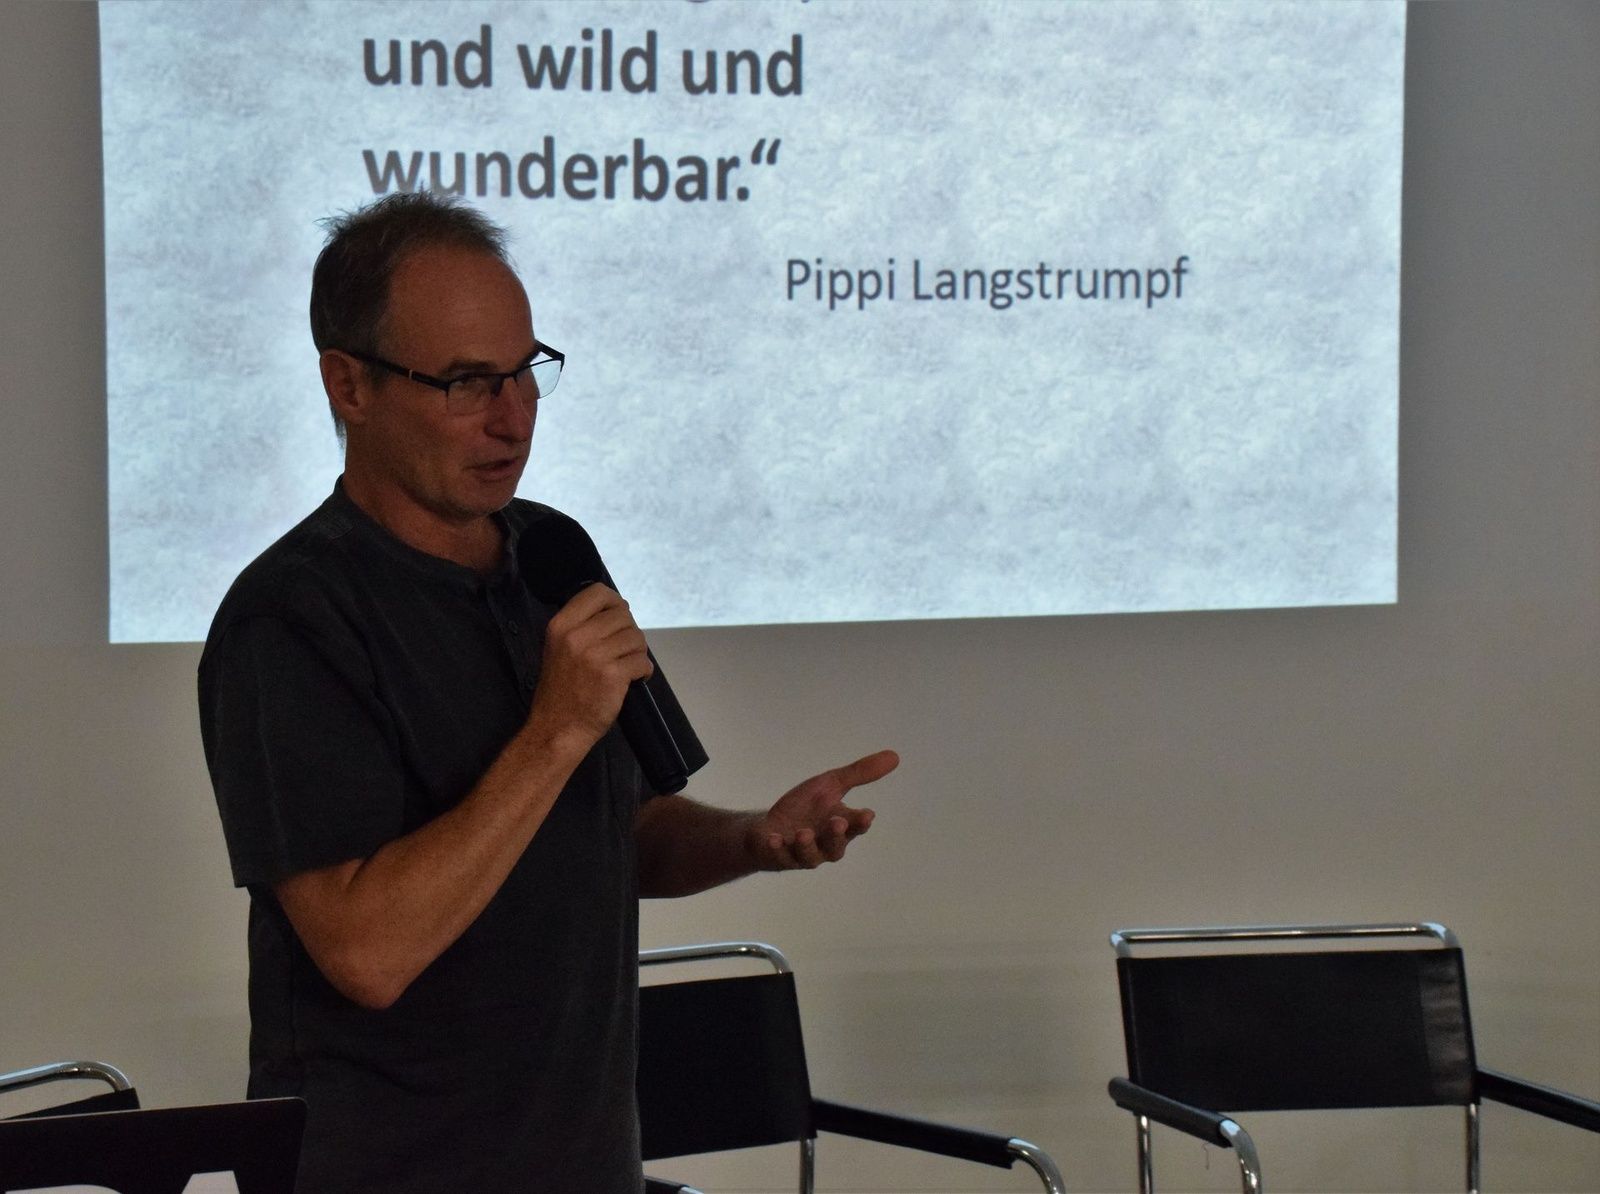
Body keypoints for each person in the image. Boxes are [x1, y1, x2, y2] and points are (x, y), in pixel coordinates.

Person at [197, 191, 897, 1193]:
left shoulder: (552, 552)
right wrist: (556, 729)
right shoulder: (291, 618)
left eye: (526, 372)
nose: (513, 417)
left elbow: (622, 830)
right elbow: (367, 952)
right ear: (349, 385)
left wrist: (752, 838)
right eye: (466, 383)